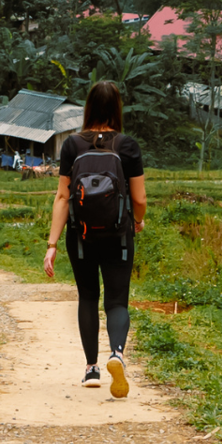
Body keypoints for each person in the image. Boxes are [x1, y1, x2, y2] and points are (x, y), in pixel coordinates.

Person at [44, 80, 146, 396]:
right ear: (117, 108)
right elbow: (139, 199)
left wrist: (51, 245)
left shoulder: (73, 145)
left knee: (88, 297)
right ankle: (116, 353)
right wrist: (137, 222)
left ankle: (91, 369)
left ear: (88, 107)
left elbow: (62, 197)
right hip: (119, 235)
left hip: (80, 236)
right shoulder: (127, 145)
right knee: (117, 301)